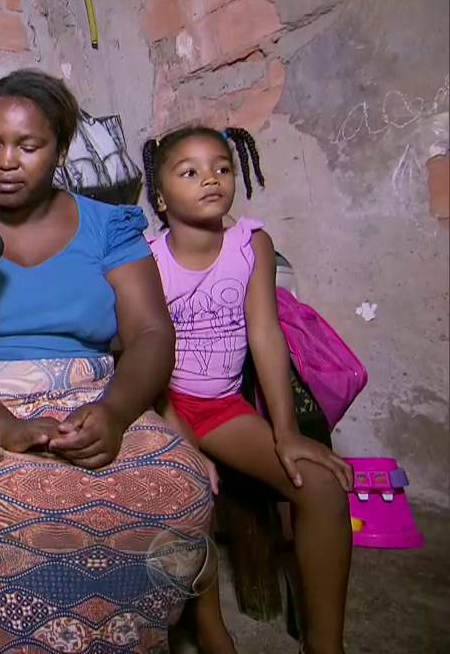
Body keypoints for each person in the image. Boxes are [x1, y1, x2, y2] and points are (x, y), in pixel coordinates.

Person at [0, 68, 214, 652]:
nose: (6, 161)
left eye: (28, 145)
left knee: (181, 486)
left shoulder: (108, 226)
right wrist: (8, 427)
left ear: (60, 149)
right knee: (11, 508)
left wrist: (116, 413)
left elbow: (149, 331)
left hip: (95, 398)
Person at [143, 126, 353, 654]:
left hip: (221, 407)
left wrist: (285, 432)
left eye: (221, 167)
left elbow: (266, 334)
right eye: (189, 171)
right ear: (162, 199)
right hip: (162, 405)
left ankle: (325, 645)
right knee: (189, 491)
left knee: (322, 488)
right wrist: (180, 439)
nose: (210, 178)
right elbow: (141, 356)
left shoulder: (251, 243)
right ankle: (211, 630)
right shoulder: (146, 258)